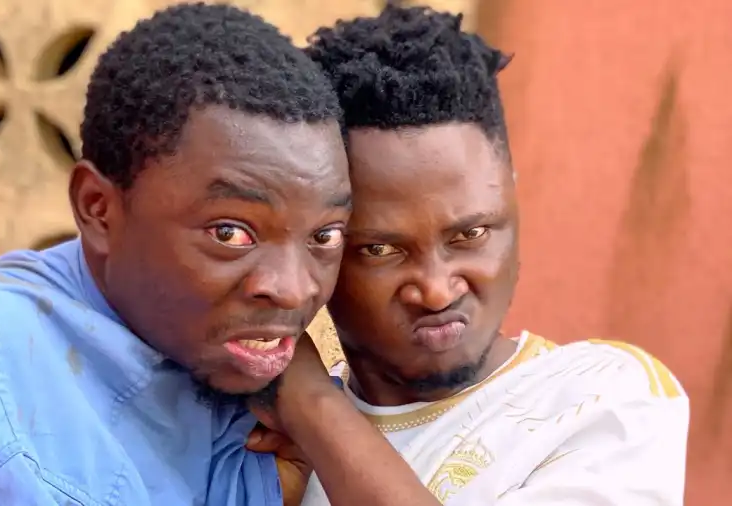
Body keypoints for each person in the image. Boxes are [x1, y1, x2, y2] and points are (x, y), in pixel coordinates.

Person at [0, 4, 351, 505]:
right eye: (230, 233)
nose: (294, 289)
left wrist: (316, 420)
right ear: (98, 208)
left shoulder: (235, 372)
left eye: (325, 236)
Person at [246, 4, 689, 506]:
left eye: (471, 233)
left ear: (512, 197)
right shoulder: (260, 439)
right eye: (381, 249)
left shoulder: (602, 399)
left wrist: (311, 403)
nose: (436, 291)